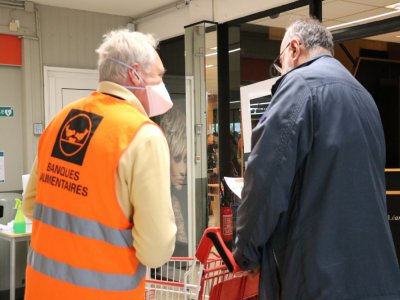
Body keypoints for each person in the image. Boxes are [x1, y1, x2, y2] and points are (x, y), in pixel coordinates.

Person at [234, 18, 400, 300]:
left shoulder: (299, 86)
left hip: (316, 278)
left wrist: (246, 252)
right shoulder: (364, 97)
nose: (280, 70)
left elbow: (265, 180)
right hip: (374, 275)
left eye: (280, 61)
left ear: (294, 48)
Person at [22, 29, 177, 300]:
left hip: (41, 290)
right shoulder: (142, 135)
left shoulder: (60, 121)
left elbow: (31, 205)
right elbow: (155, 250)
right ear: (135, 74)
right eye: (159, 75)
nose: (162, 83)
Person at [160, 107, 188, 256]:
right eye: (177, 159)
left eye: (186, 159)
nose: (183, 170)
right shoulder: (165, 200)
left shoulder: (178, 200)